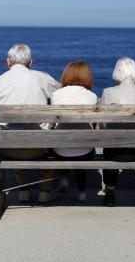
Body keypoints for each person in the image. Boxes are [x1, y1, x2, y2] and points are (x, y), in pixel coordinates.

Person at [0, 43, 61, 203]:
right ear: (30, 63)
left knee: (13, 132)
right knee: (48, 134)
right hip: (39, 148)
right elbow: (61, 94)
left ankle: (24, 190)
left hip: (8, 149)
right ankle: (44, 192)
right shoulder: (41, 78)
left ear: (8, 62)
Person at [100, 57, 135, 207]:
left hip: (115, 151)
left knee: (110, 145)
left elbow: (103, 122)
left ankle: (110, 194)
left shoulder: (108, 92)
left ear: (117, 71)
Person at [51, 61, 98, 202]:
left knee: (61, 143)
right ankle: (82, 192)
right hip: (84, 151)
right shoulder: (92, 97)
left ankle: (64, 179)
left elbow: (52, 123)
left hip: (60, 151)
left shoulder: (56, 95)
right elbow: (94, 124)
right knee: (82, 148)